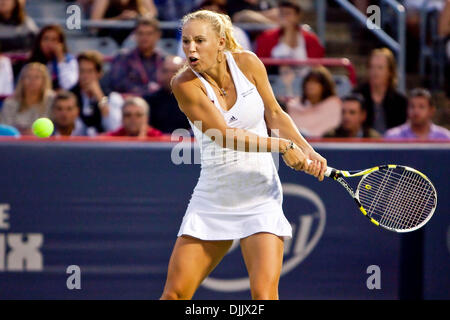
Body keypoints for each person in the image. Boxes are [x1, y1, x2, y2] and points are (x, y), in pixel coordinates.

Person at [160, 10, 327, 301]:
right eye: (186, 41)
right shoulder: (184, 84)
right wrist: (284, 148)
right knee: (174, 295)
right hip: (214, 198)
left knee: (263, 296)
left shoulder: (248, 63)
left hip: (261, 195)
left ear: (221, 42)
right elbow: (224, 135)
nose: (191, 49)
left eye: (200, 40)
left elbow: (275, 113)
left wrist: (306, 148)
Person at [353, 48, 408, 134]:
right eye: (372, 67)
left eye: (380, 68)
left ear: (390, 71)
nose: (375, 72)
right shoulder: (357, 96)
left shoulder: (400, 101)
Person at [108, 16, 165, 96]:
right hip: (131, 103)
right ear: (134, 35)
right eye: (140, 33)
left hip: (159, 104)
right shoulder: (123, 57)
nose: (144, 37)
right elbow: (117, 83)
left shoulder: (164, 60)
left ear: (158, 35)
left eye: (149, 33)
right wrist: (146, 91)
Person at [71, 50, 123, 136]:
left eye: (90, 71)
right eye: (82, 71)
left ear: (99, 74)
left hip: (104, 145)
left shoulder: (112, 97)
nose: (85, 76)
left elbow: (114, 128)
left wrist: (100, 97)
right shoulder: (71, 95)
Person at [254, 1, 324, 61]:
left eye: (288, 13)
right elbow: (261, 63)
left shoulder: (311, 39)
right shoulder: (266, 37)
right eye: (281, 13)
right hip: (273, 76)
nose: (284, 17)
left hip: (305, 76)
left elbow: (317, 64)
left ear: (297, 16)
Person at [284, 66, 342, 137]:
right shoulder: (292, 105)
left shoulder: (333, 105)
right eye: (308, 81)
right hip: (295, 146)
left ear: (324, 86)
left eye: (316, 82)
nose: (310, 85)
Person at [0, 62, 54, 135]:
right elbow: (5, 130)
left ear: (44, 80)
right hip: (15, 143)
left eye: (37, 77)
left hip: (46, 143)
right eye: (28, 77)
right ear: (22, 80)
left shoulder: (52, 100)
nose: (32, 80)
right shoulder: (10, 102)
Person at [144, 55, 191, 134]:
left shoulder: (196, 100)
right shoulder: (149, 101)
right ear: (159, 73)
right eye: (165, 71)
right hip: (155, 144)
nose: (169, 75)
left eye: (175, 71)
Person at [385, 88, 450, 140]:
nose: (416, 111)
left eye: (421, 107)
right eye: (412, 106)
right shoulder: (393, 137)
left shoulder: (444, 137)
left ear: (431, 111)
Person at [28, 25, 79, 91]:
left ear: (61, 44)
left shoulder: (69, 60)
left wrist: (60, 59)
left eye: (54, 40)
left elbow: (67, 85)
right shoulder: (31, 61)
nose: (49, 43)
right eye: (46, 39)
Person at [90, 0, 158, 45]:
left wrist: (137, 17)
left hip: (134, 39)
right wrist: (119, 18)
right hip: (109, 38)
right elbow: (94, 24)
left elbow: (152, 15)